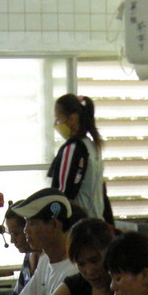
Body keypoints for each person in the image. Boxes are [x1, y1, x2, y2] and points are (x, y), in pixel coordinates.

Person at [47, 92, 111, 223]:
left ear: (72, 119)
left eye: (58, 119)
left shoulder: (72, 149)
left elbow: (63, 194)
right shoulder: (93, 146)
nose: (57, 124)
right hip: (96, 221)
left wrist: (52, 220)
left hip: (78, 223)